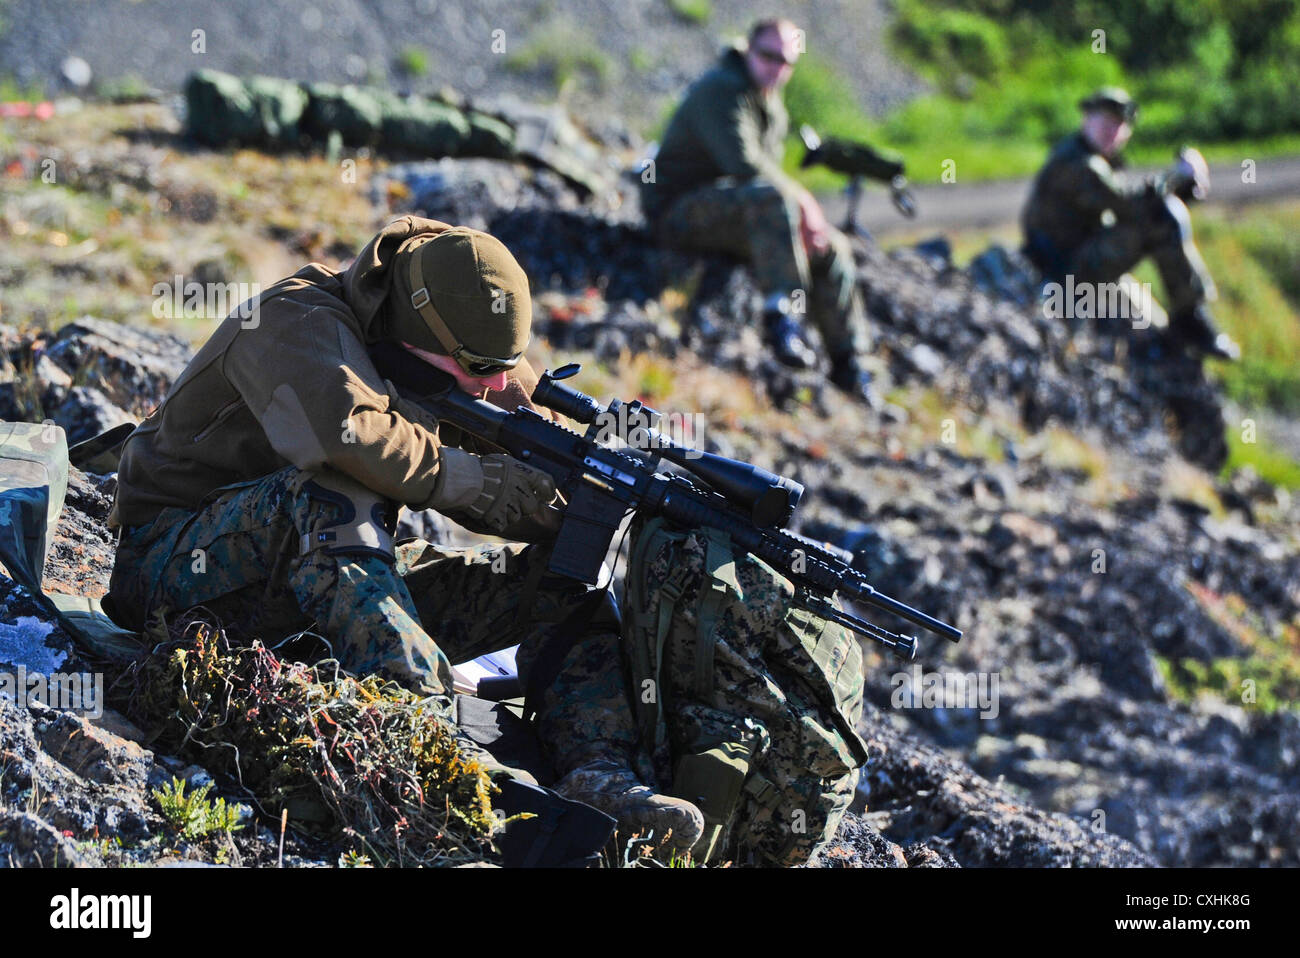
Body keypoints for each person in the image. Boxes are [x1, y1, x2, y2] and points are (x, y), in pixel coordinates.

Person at [106, 216, 867, 865]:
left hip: (325, 581)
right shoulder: (292, 320)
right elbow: (348, 438)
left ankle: (602, 778)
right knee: (327, 496)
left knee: (564, 591)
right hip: (176, 571)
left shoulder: (449, 342)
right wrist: (471, 482)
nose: (493, 385)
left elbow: (522, 431)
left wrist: (594, 498)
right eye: (478, 371)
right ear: (416, 334)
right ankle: (429, 730)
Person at [642, 17, 881, 405]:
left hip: (734, 213)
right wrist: (802, 203)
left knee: (831, 246)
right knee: (774, 200)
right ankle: (781, 317)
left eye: (786, 62)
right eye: (769, 56)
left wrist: (802, 224)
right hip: (678, 212)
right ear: (749, 49)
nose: (777, 68)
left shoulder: (768, 100)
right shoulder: (721, 90)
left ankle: (848, 363)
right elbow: (744, 165)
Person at [1021, 86, 1240, 360]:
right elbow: (1131, 206)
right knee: (1162, 216)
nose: (1111, 130)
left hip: (1080, 267)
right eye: (1105, 121)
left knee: (1157, 330)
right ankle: (1189, 317)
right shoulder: (1077, 162)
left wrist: (1177, 188)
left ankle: (1184, 332)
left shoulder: (1093, 158)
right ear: (1086, 119)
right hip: (1064, 272)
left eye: (1118, 125)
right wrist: (1178, 176)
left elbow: (1128, 205)